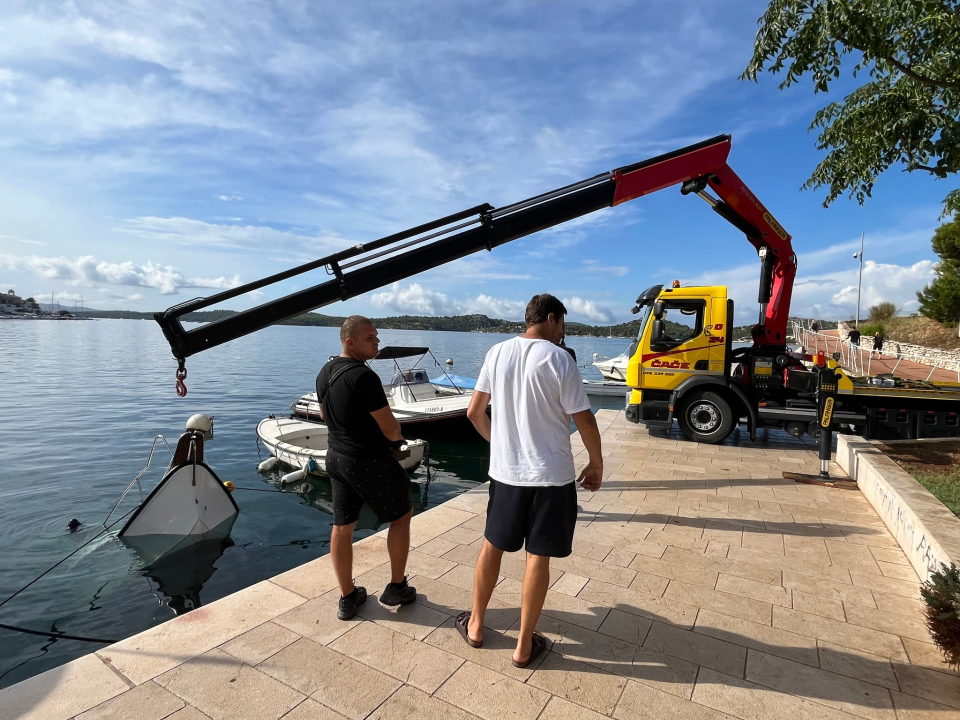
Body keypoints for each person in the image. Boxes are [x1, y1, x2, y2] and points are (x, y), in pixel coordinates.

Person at [458, 294, 603, 668]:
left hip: (506, 475)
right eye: (563, 326)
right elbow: (584, 419)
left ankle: (475, 626)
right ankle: (523, 646)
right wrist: (596, 462)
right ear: (551, 319)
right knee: (538, 556)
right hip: (551, 477)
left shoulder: (496, 352)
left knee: (492, 546)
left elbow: (474, 412)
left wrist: (501, 444)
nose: (563, 334)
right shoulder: (560, 359)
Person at [315, 316, 416, 620]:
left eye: (376, 336)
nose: (377, 341)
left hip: (336, 458)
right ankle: (397, 586)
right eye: (370, 337)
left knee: (342, 527)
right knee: (401, 516)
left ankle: (347, 596)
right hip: (368, 460)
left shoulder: (325, 372)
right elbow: (389, 427)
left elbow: (323, 414)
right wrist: (398, 439)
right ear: (350, 342)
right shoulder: (364, 377)